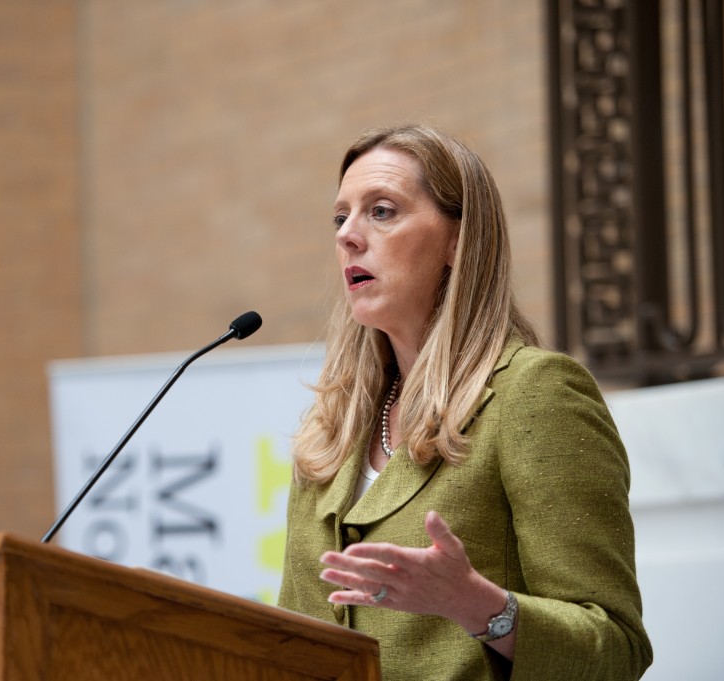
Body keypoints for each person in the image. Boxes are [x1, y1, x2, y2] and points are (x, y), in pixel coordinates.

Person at [277, 124, 652, 680]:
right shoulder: (331, 428)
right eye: (340, 218)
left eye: (381, 211)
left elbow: (615, 650)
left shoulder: (535, 393)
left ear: (458, 240)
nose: (348, 235)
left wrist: (478, 606)